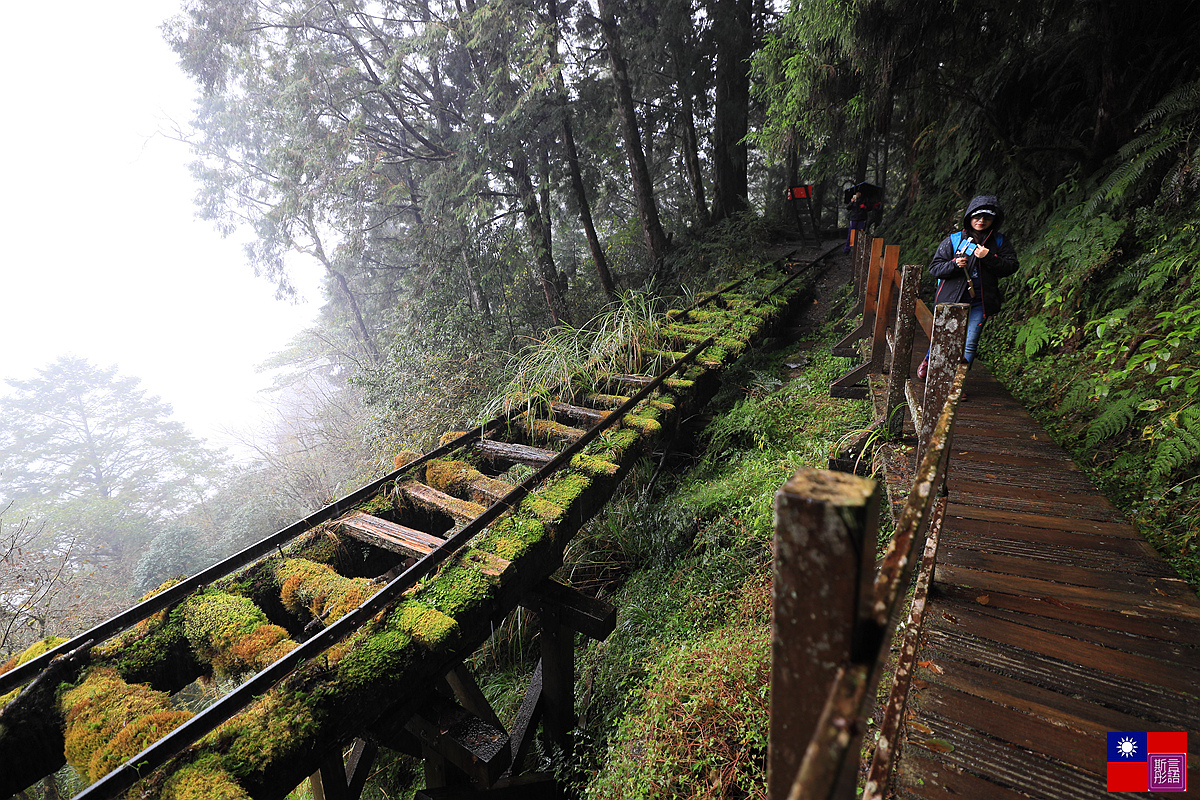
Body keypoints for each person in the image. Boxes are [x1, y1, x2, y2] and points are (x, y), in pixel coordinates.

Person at [916, 194, 1019, 378]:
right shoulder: (954, 240)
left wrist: (989, 257)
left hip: (980, 301)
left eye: (987, 217)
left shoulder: (999, 242)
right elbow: (935, 268)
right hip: (952, 299)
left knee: (969, 343)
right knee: (944, 338)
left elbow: (1011, 266)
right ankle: (929, 360)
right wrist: (954, 265)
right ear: (969, 217)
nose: (981, 221)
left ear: (994, 219)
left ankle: (955, 384)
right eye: (977, 217)